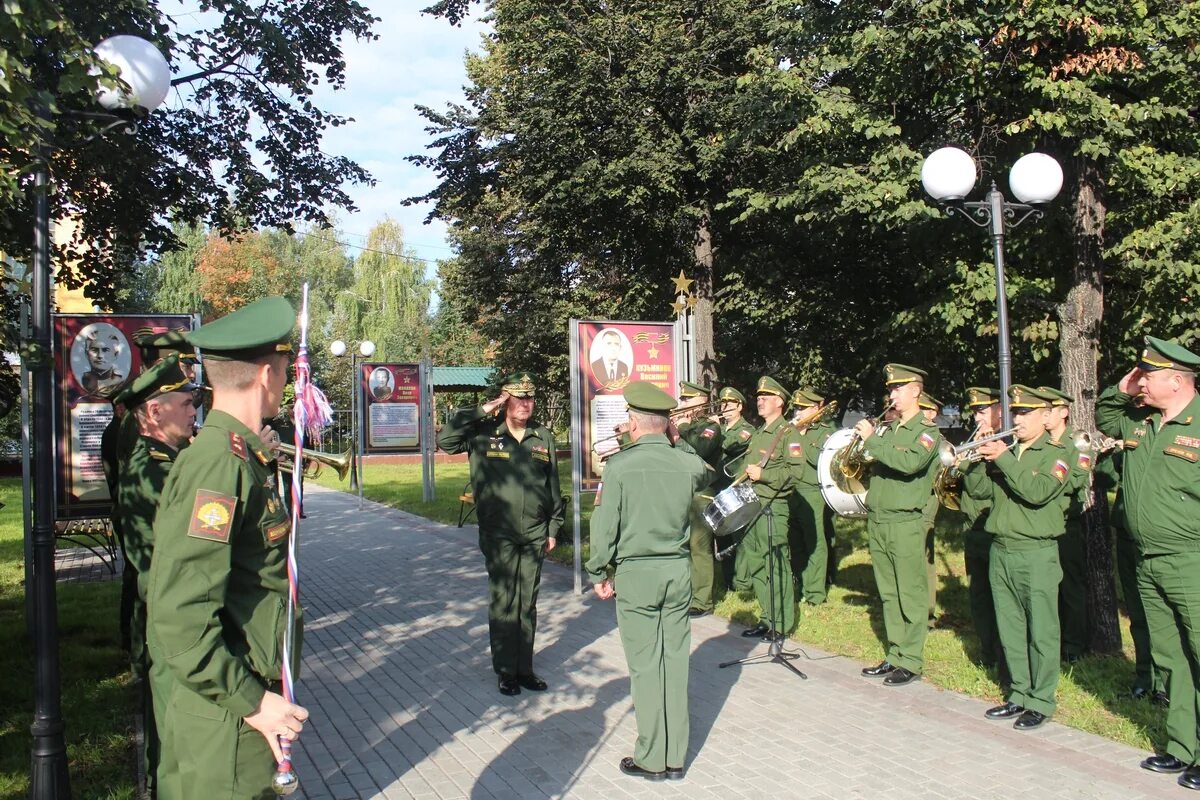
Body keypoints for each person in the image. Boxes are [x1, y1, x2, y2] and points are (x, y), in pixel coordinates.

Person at [146, 296, 309, 799]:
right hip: (228, 717)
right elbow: (180, 617)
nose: (287, 384)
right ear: (266, 375)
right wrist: (254, 702)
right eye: (287, 371)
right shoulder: (220, 464)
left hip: (233, 705)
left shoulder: (236, 454)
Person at [585, 381, 708, 781]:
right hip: (677, 571)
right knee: (675, 662)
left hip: (637, 574)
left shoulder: (619, 466)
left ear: (634, 423)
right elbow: (702, 472)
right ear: (667, 425)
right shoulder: (686, 462)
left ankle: (652, 757)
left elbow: (604, 526)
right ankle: (676, 756)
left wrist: (599, 571)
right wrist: (678, 440)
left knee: (644, 667)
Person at [1096, 336, 1200, 786]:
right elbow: (1104, 416)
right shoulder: (1139, 422)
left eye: (1149, 376)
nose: (1141, 382)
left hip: (1190, 560)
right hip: (1146, 560)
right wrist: (1123, 388)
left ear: (1177, 381)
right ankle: (1182, 746)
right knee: (1170, 655)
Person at [437, 373, 565, 695]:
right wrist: (485, 408)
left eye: (530, 398)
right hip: (499, 533)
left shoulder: (541, 437)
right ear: (505, 399)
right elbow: (446, 440)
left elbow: (553, 486)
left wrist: (553, 527)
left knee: (527, 602)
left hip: (535, 532)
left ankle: (525, 669)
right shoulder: (483, 434)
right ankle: (506, 671)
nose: (525, 404)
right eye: (518, 398)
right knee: (504, 601)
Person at [114, 355, 198, 797]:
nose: (192, 411)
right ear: (154, 412)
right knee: (170, 734)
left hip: (169, 610)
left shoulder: (173, 460)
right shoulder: (153, 469)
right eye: (185, 403)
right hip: (167, 615)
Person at [975, 385, 1072, 731]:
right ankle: (1018, 692)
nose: (1018, 420)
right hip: (1001, 549)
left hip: (1036, 552)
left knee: (1042, 629)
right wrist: (974, 460)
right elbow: (979, 492)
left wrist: (1001, 457)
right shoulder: (1010, 450)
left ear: (1046, 418)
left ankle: (1041, 699)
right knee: (1010, 626)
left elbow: (1038, 491)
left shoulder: (1058, 453)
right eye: (1015, 413)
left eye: (1026, 414)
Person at [856, 364, 940, 687]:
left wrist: (873, 443)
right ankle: (895, 653)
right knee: (889, 594)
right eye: (891, 389)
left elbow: (909, 463)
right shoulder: (888, 431)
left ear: (915, 391)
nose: (891, 395)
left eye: (897, 389)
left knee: (911, 592)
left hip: (905, 520)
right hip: (878, 518)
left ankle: (912, 659)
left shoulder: (927, 432)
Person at [737, 376, 805, 641]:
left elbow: (795, 474)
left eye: (766, 397)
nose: (760, 400)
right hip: (751, 506)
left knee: (776, 566)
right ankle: (767, 618)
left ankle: (781, 623)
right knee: (756, 565)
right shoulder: (758, 433)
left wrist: (763, 476)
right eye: (758, 396)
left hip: (773, 508)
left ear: (780, 402)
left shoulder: (789, 434)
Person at [957, 387, 1006, 672]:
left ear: (1000, 410)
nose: (978, 417)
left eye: (983, 411)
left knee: (997, 596)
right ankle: (987, 649)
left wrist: (975, 460)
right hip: (971, 525)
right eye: (975, 411)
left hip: (991, 527)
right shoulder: (975, 440)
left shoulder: (1005, 443)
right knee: (979, 595)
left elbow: (979, 488)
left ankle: (999, 653)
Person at [1040, 386, 1091, 662]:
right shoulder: (1041, 442)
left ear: (1064, 412)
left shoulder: (1078, 443)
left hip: (1066, 522)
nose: (1044, 416)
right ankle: (1054, 639)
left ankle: (1073, 645)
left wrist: (1043, 480)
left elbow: (1075, 480)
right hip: (1041, 522)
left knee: (1070, 584)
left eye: (1050, 410)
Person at [675, 380, 721, 617]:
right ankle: (686, 593)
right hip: (681, 491)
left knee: (699, 546)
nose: (682, 404)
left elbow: (702, 449)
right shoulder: (685, 427)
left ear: (702, 401)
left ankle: (702, 600)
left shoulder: (710, 426)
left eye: (687, 399)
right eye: (682, 399)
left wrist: (682, 428)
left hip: (702, 493)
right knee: (682, 544)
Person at [787, 389, 836, 605]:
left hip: (812, 491)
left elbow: (821, 460)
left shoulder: (827, 431)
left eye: (803, 407)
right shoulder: (791, 430)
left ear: (817, 408)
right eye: (797, 407)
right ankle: (799, 584)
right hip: (791, 490)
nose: (798, 412)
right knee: (795, 542)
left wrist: (802, 434)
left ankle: (815, 593)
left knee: (814, 541)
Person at [715, 386, 754, 590]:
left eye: (729, 405)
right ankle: (728, 579)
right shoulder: (719, 429)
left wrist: (714, 433)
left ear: (739, 406)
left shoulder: (747, 429)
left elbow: (730, 445)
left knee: (739, 536)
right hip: (718, 486)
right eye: (723, 404)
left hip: (736, 488)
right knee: (721, 536)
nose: (725, 408)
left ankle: (743, 581)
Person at [918, 391, 943, 625]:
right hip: (911, 502)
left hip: (926, 501)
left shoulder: (936, 439)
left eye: (923, 409)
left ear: (933, 413)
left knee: (923, 558)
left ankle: (927, 611)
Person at [81, 328, 126, 396]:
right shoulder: (82, 380)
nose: (100, 356)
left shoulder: (120, 381)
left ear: (115, 355)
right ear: (87, 354)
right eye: (94, 350)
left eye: (105, 350)